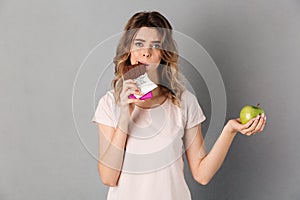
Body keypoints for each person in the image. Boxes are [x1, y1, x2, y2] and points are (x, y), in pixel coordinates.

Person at [92, 11, 266, 200]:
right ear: (129, 51)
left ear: (163, 54)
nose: (146, 52)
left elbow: (202, 174)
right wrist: (125, 113)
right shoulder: (109, 104)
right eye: (139, 43)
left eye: (155, 45)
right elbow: (109, 178)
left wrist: (230, 130)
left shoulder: (184, 102)